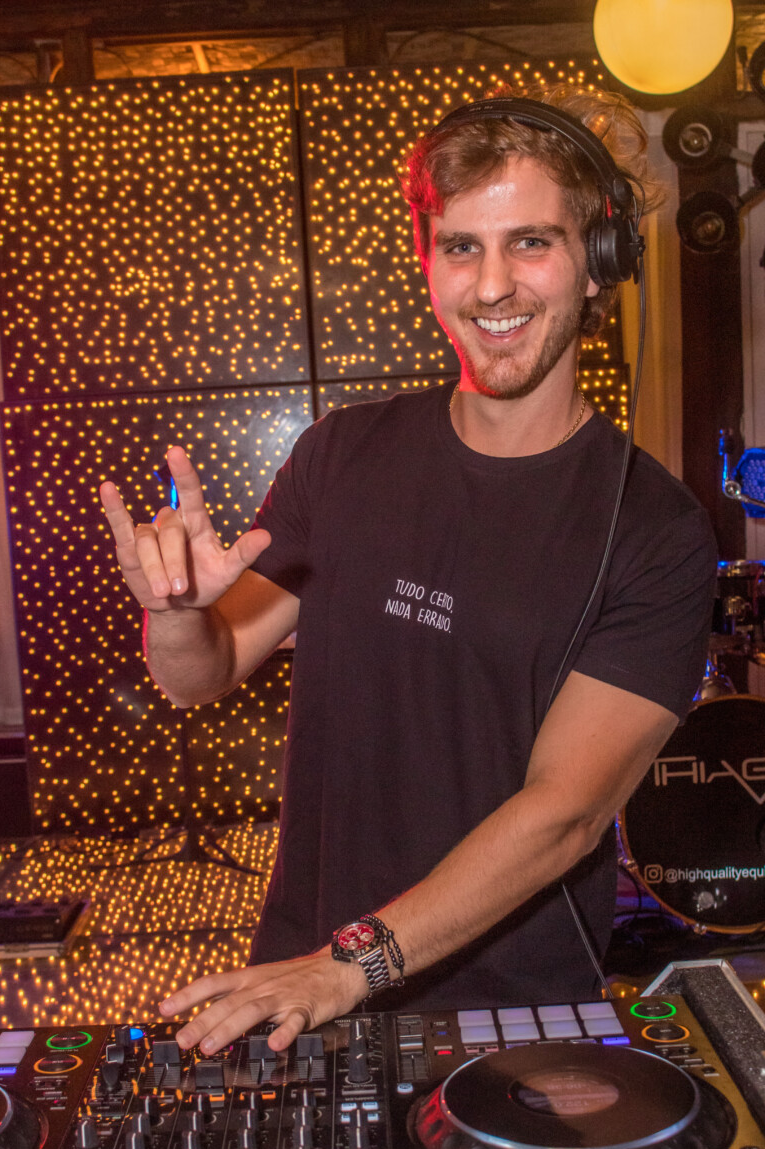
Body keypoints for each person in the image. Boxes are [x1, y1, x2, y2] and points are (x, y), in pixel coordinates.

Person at [100, 83, 716, 1055]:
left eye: (530, 242)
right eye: (460, 247)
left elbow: (566, 812)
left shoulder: (655, 529)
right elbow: (199, 674)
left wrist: (352, 965)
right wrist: (176, 612)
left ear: (599, 262)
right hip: (299, 984)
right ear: (428, 264)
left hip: (511, 1010)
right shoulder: (339, 454)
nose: (491, 287)